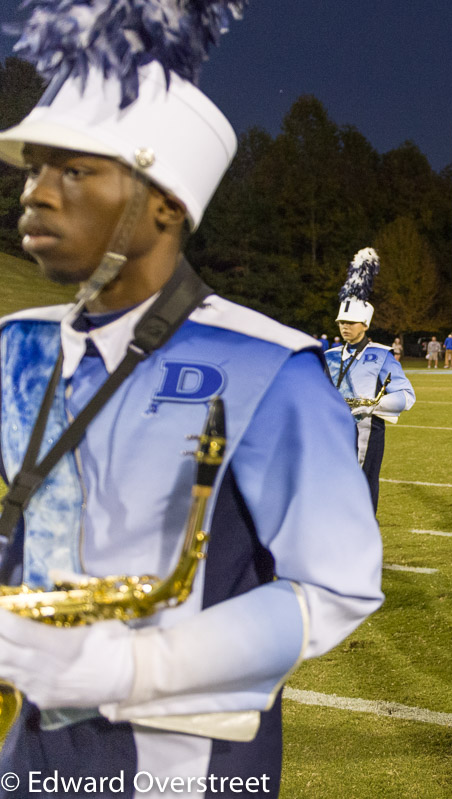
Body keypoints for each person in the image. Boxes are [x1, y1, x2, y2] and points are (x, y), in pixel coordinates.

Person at [0, 5, 382, 792]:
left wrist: (134, 662)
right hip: (31, 754)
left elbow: (337, 587)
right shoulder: (17, 344)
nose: (34, 193)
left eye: (72, 169)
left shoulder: (271, 366)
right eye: (35, 168)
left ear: (165, 203)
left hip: (182, 772)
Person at [325, 249, 416, 511]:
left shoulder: (381, 355)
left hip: (368, 430)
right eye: (342, 322)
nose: (345, 327)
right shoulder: (329, 356)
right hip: (332, 429)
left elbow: (407, 396)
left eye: (351, 322)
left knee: (363, 490)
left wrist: (373, 406)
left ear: (365, 324)